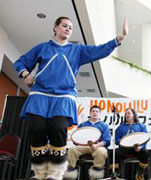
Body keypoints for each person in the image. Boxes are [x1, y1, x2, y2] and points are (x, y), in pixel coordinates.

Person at [13, 16, 128, 180]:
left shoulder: (77, 50)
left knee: (58, 128)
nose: (68, 29)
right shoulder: (43, 48)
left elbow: (99, 50)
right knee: (37, 129)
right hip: (40, 95)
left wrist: (120, 38)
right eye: (64, 26)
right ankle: (39, 172)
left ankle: (55, 173)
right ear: (55, 27)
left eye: (70, 28)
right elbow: (21, 62)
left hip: (64, 97)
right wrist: (25, 74)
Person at [63, 105, 111, 180]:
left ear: (100, 114)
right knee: (72, 149)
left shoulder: (104, 126)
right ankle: (70, 175)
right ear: (90, 113)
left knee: (101, 151)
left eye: (97, 111)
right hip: (83, 146)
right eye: (93, 111)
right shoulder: (83, 125)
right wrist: (76, 140)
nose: (95, 113)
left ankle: (96, 177)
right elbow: (77, 140)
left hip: (98, 147)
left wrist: (96, 145)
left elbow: (107, 141)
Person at [109, 108, 149, 180]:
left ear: (133, 115)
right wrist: (122, 142)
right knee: (114, 152)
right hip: (125, 148)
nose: (127, 115)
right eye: (126, 114)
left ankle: (140, 172)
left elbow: (145, 139)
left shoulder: (141, 126)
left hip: (137, 148)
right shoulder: (121, 127)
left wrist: (141, 146)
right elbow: (116, 139)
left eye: (129, 113)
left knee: (145, 153)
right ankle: (116, 172)